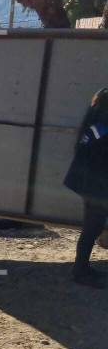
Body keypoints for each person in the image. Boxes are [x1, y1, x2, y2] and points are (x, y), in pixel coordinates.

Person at [64, 87, 108, 289]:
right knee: (92, 228)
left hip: (91, 184)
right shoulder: (101, 129)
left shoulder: (96, 125)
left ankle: (82, 269)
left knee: (93, 226)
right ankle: (80, 271)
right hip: (94, 186)